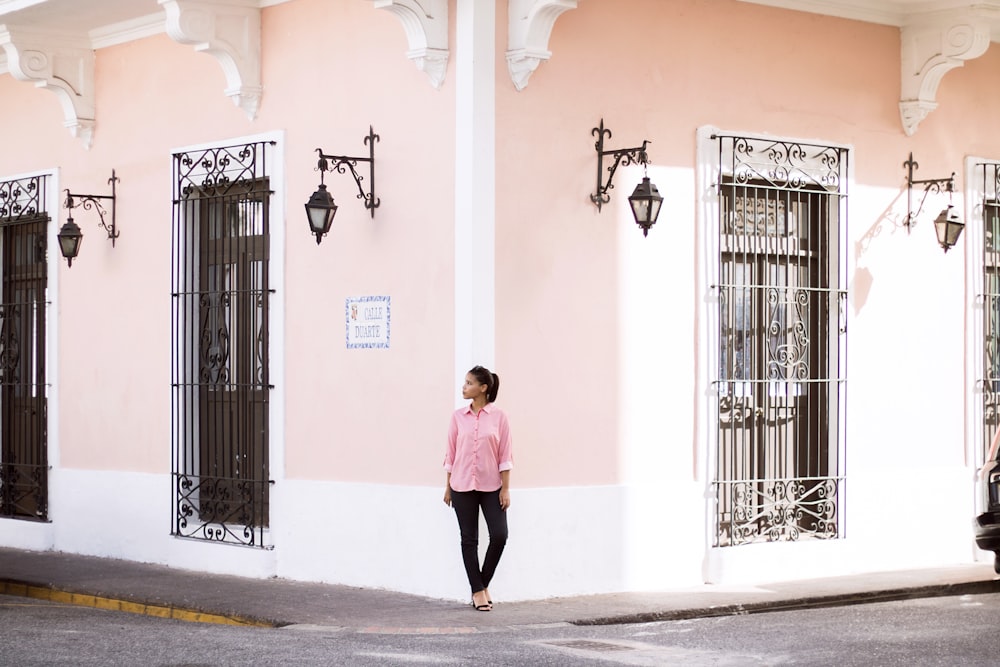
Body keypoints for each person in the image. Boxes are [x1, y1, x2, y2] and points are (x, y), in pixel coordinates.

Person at [442, 365, 513, 612]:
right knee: (469, 539)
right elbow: (451, 453)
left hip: (491, 486)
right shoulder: (457, 417)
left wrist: (505, 489)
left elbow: (505, 455)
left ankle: (482, 584)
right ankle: (477, 591)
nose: (464, 387)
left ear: (483, 388)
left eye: (469, 383)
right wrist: (448, 487)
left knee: (500, 536)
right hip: (461, 485)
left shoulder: (499, 417)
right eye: (464, 382)